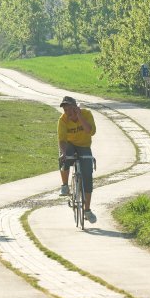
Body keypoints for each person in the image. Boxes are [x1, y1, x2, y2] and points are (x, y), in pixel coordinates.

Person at [57, 95, 97, 223]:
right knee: (64, 158)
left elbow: (90, 131)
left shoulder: (86, 114)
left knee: (88, 176)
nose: (68, 112)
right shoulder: (63, 120)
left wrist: (79, 116)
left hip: (84, 146)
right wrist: (63, 153)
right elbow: (62, 140)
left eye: (70, 109)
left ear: (76, 107)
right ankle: (65, 186)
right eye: (65, 110)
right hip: (69, 145)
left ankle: (87, 210)